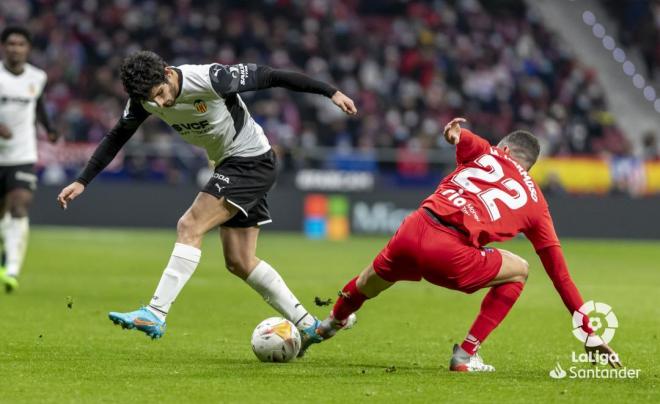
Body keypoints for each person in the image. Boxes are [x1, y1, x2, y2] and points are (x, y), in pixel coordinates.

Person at [57, 51, 357, 355]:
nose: (160, 104)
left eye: (161, 93)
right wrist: (82, 180)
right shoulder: (142, 98)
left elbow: (271, 75)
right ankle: (309, 325)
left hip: (250, 161)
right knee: (239, 261)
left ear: (168, 73)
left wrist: (330, 92)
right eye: (153, 100)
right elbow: (117, 135)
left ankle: (156, 313)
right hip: (228, 164)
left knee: (189, 225)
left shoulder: (211, 78)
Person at [307, 118, 621, 370]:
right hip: (450, 254)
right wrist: (589, 333)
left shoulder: (487, 152)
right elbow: (560, 276)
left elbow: (465, 138)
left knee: (366, 282)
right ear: (529, 166)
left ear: (505, 150)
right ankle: (466, 354)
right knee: (520, 269)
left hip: (412, 228)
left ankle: (329, 324)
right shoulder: (537, 205)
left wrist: (456, 133)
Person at [0, 26, 59, 292]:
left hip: (23, 154)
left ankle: (12, 269)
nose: (15, 48)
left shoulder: (37, 77)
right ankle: (6, 252)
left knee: (20, 206)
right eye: (10, 43)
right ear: (4, 47)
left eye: (20, 44)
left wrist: (49, 128)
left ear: (28, 48)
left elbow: (38, 104)